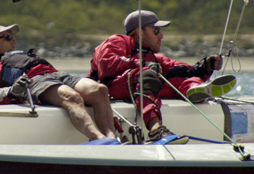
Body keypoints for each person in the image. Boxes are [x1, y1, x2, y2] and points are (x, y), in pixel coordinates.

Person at [89, 10, 236, 143]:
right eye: (156, 30)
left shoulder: (152, 57)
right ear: (140, 32)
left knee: (179, 78)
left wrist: (205, 66)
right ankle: (155, 130)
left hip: (139, 82)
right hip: (110, 87)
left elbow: (181, 68)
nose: (161, 35)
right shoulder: (118, 41)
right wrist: (141, 63)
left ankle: (195, 89)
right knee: (146, 75)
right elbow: (107, 64)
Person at [0, 24, 117, 141]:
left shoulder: (19, 54)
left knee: (99, 90)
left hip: (56, 75)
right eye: (8, 38)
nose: (14, 41)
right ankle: (99, 139)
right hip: (35, 81)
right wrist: (13, 91)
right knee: (72, 97)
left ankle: (113, 139)